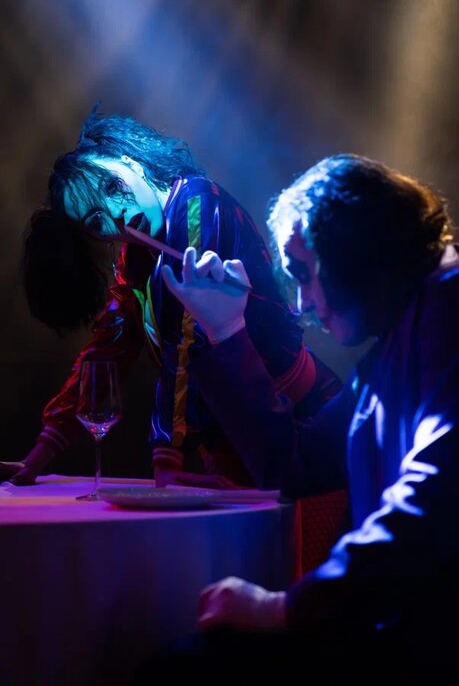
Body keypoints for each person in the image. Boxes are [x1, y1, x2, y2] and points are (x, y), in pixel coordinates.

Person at [153, 153, 459, 680]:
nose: (299, 305)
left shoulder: (449, 305)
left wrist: (284, 608)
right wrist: (227, 330)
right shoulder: (402, 334)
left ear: (353, 248)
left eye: (302, 273)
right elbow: (293, 462)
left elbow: (437, 496)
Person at [0, 105, 342, 491]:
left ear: (131, 162)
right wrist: (40, 454)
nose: (117, 215)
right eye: (97, 220)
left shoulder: (197, 205)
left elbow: (188, 336)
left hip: (300, 424)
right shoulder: (136, 257)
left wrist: (166, 454)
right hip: (239, 443)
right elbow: (108, 347)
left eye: (112, 187)